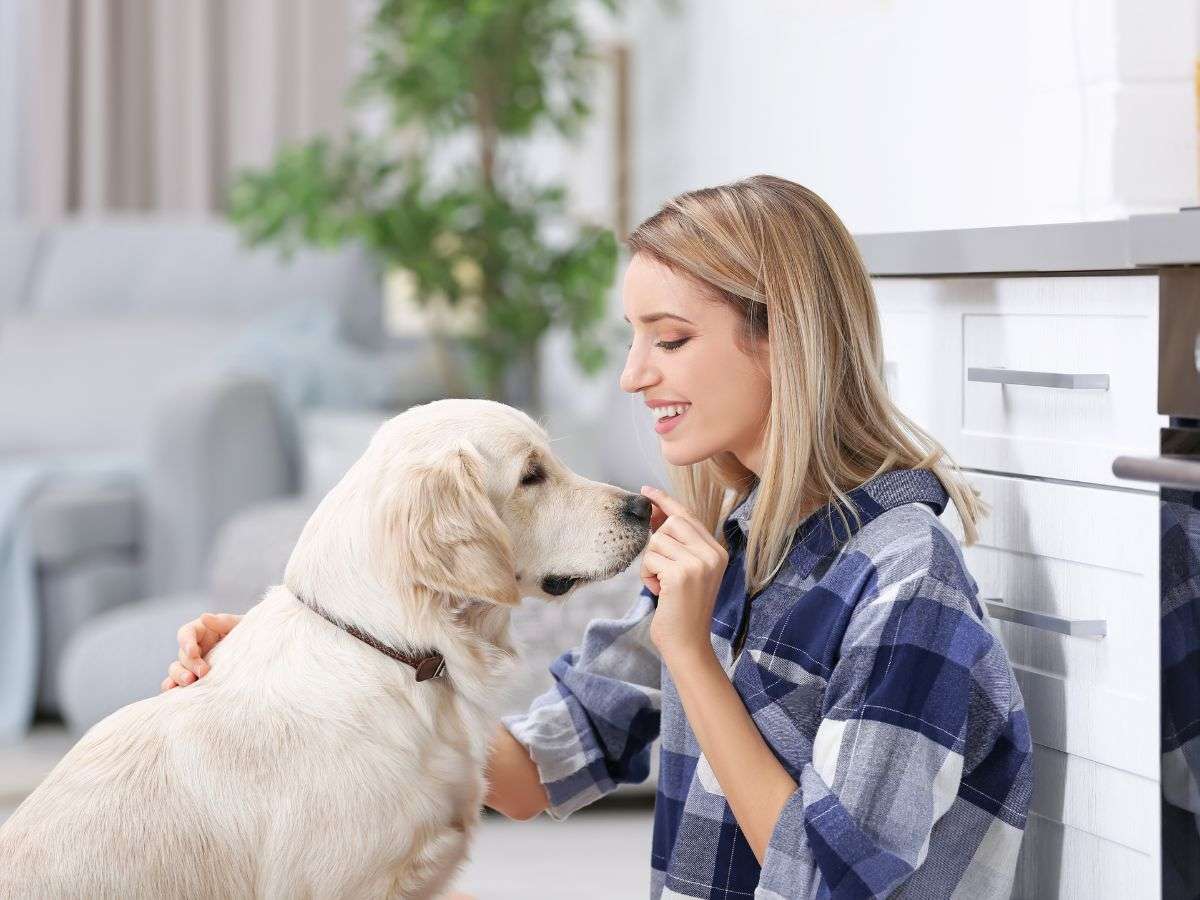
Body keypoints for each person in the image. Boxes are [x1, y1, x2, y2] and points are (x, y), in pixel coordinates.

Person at [163, 175, 1033, 898]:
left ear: (783, 340)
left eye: (671, 338)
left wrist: (692, 657)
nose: (632, 374)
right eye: (634, 338)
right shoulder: (724, 549)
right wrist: (313, 659)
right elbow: (533, 772)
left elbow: (832, 882)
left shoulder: (906, 579)